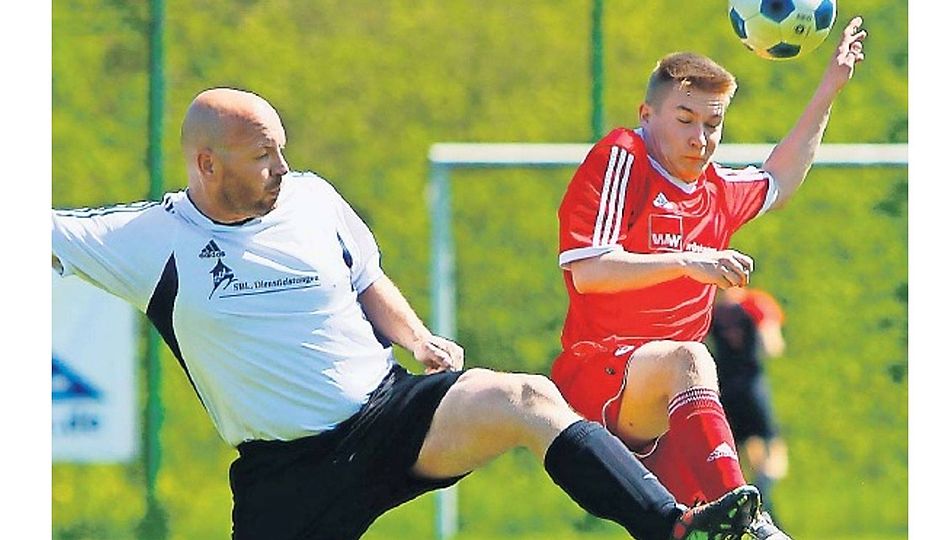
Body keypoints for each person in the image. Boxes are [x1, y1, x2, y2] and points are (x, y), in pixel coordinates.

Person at [51, 88, 764, 540]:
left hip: (391, 416)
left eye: (282, 149)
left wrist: (414, 334)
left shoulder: (311, 198)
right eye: (262, 155)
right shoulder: (149, 241)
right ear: (207, 165)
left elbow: (366, 278)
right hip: (288, 475)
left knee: (525, 396)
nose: (280, 166)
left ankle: (674, 527)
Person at [550, 16, 867, 540]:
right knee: (692, 357)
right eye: (685, 118)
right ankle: (749, 518)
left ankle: (732, 519)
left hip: (674, 404)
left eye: (713, 124)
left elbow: (778, 179)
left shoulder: (715, 190)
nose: (701, 138)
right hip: (598, 378)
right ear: (647, 114)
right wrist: (688, 261)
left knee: (690, 532)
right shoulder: (624, 158)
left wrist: (828, 90)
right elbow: (587, 271)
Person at [709, 287, 789, 520]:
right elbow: (772, 346)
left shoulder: (713, 310)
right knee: (775, 455)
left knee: (748, 457)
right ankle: (754, 504)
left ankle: (764, 517)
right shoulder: (755, 304)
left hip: (724, 390)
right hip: (752, 389)